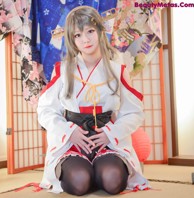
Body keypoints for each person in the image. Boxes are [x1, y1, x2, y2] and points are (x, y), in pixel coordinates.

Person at [37, 6, 150, 196]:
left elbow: (134, 112)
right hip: (72, 141)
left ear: (100, 30)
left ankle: (99, 170)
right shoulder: (62, 70)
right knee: (80, 182)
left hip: (106, 139)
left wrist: (110, 133)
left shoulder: (117, 70)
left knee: (113, 180)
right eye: (78, 35)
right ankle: (88, 172)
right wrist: (69, 131)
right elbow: (45, 110)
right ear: (72, 39)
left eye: (90, 31)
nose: (85, 39)